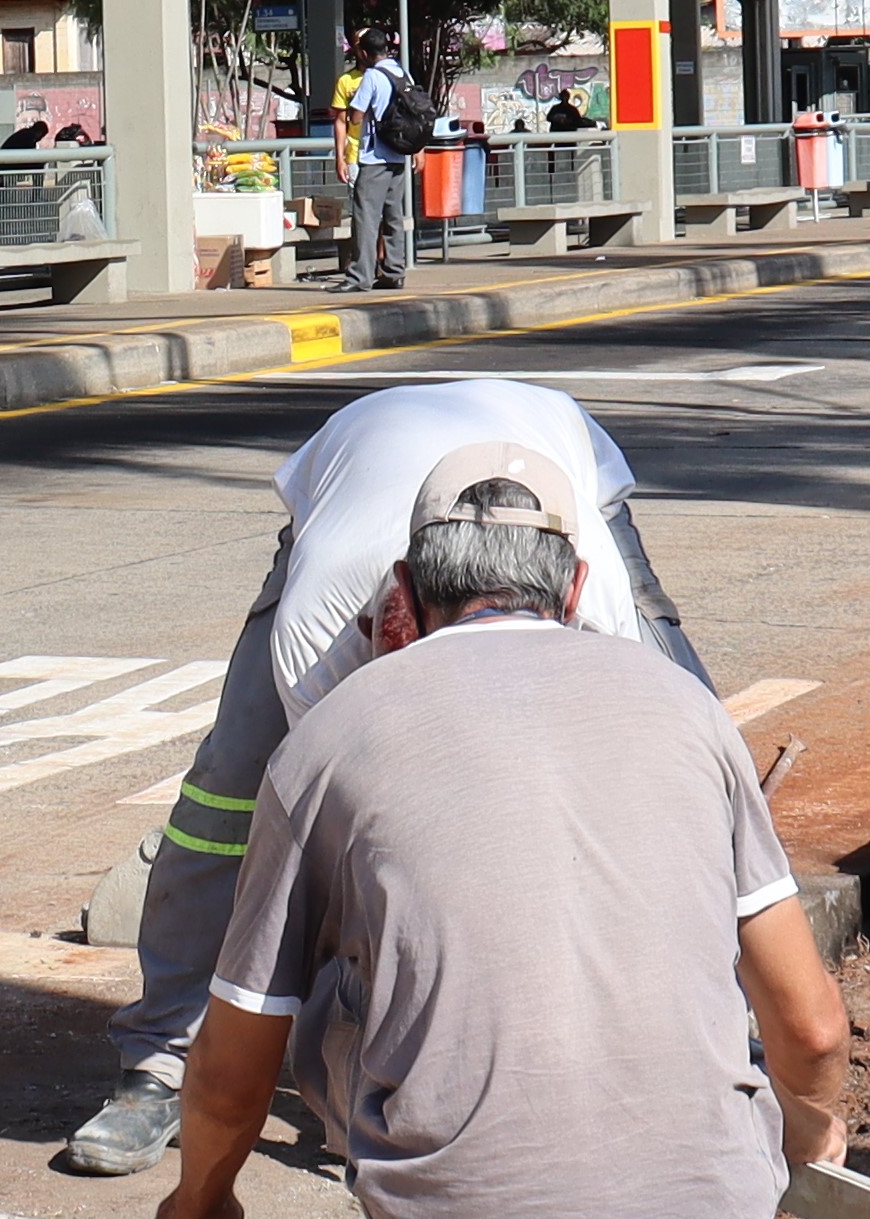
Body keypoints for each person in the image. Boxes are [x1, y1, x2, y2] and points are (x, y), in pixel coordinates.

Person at [148, 435, 848, 1219]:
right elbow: (811, 1022)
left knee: (330, 1006)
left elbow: (232, 1062)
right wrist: (807, 1140)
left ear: (403, 593)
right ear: (573, 587)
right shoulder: (690, 712)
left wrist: (198, 1198)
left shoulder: (328, 739)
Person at [64, 371, 717, 1175]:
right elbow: (355, 860)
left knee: (694, 776)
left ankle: (710, 1032)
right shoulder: (321, 630)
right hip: (357, 472)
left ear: (570, 594)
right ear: (392, 610)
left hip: (553, 470)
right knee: (230, 794)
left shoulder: (602, 622)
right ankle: (165, 1061)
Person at [339, 46, 421, 292]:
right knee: (393, 215)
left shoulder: (372, 76)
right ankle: (394, 272)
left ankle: (359, 277)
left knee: (366, 217)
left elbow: (356, 115)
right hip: (398, 154)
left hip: (374, 156)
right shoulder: (402, 73)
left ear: (364, 54)